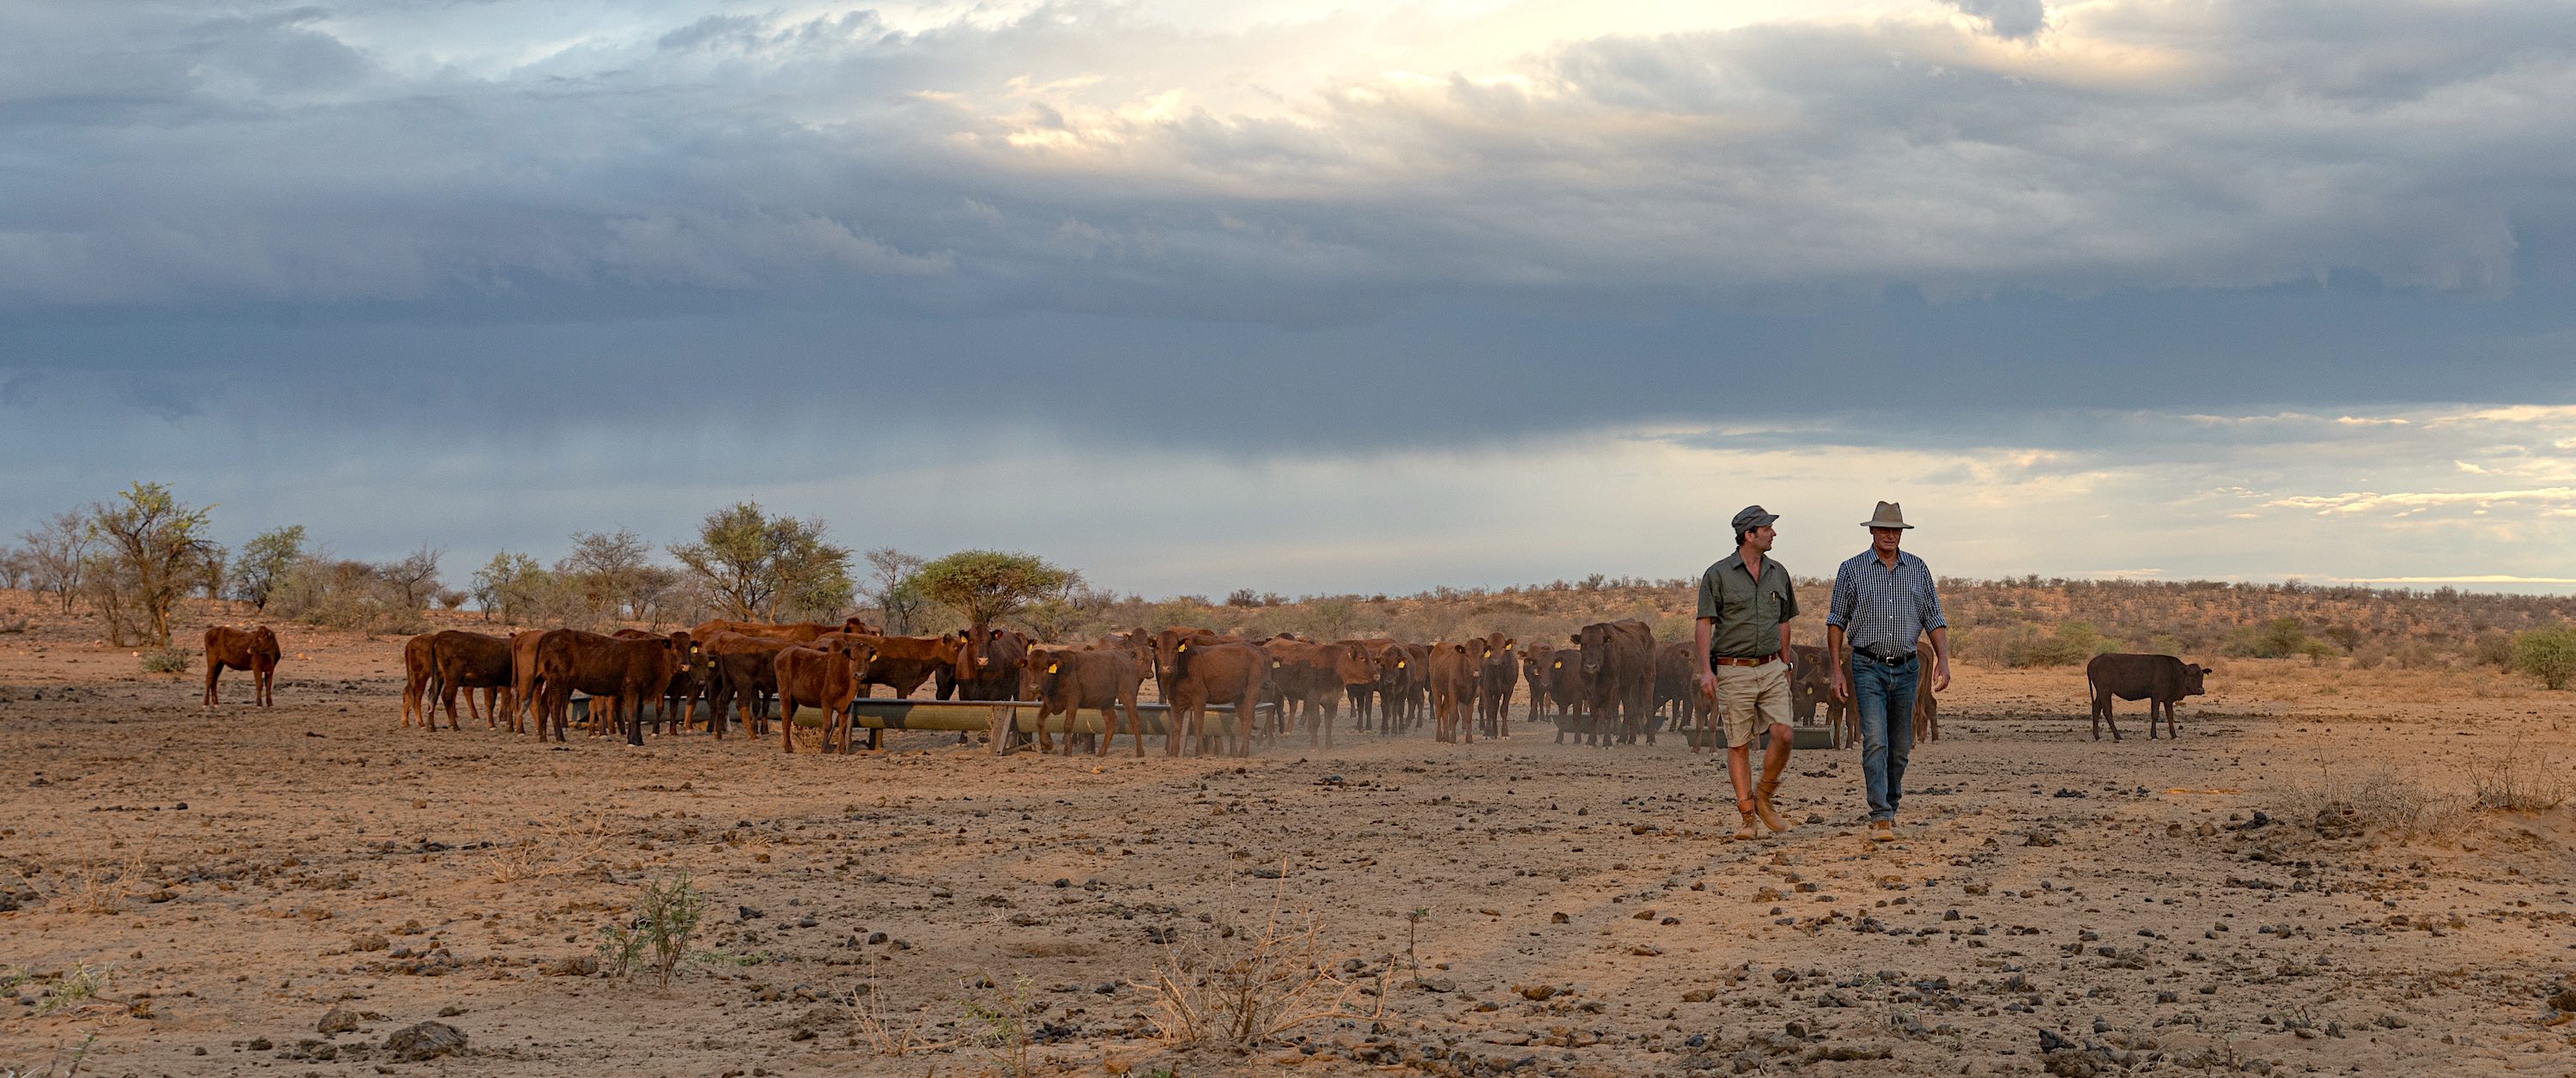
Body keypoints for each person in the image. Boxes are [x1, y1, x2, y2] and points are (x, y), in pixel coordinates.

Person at [1826, 501, 1950, 843]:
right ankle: (1880, 815)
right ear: (1872, 531)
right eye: (1884, 529)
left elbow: (1933, 617)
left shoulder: (1918, 569)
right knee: (1875, 741)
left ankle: (1891, 807)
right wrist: (1836, 670)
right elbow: (1836, 621)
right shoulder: (1852, 569)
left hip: (1908, 667)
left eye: (1896, 530)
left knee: (1900, 746)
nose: (1890, 535)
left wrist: (1943, 659)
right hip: (1867, 666)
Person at [1694, 505, 1800, 842]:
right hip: (1732, 668)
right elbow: (1704, 623)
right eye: (1767, 529)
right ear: (1749, 535)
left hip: (1771, 666)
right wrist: (1706, 671)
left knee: (1784, 734)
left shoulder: (1778, 573)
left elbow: (1783, 622)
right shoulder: (1717, 575)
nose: (1773, 533)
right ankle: (1747, 816)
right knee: (1738, 743)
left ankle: (1764, 795)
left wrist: (1786, 664)